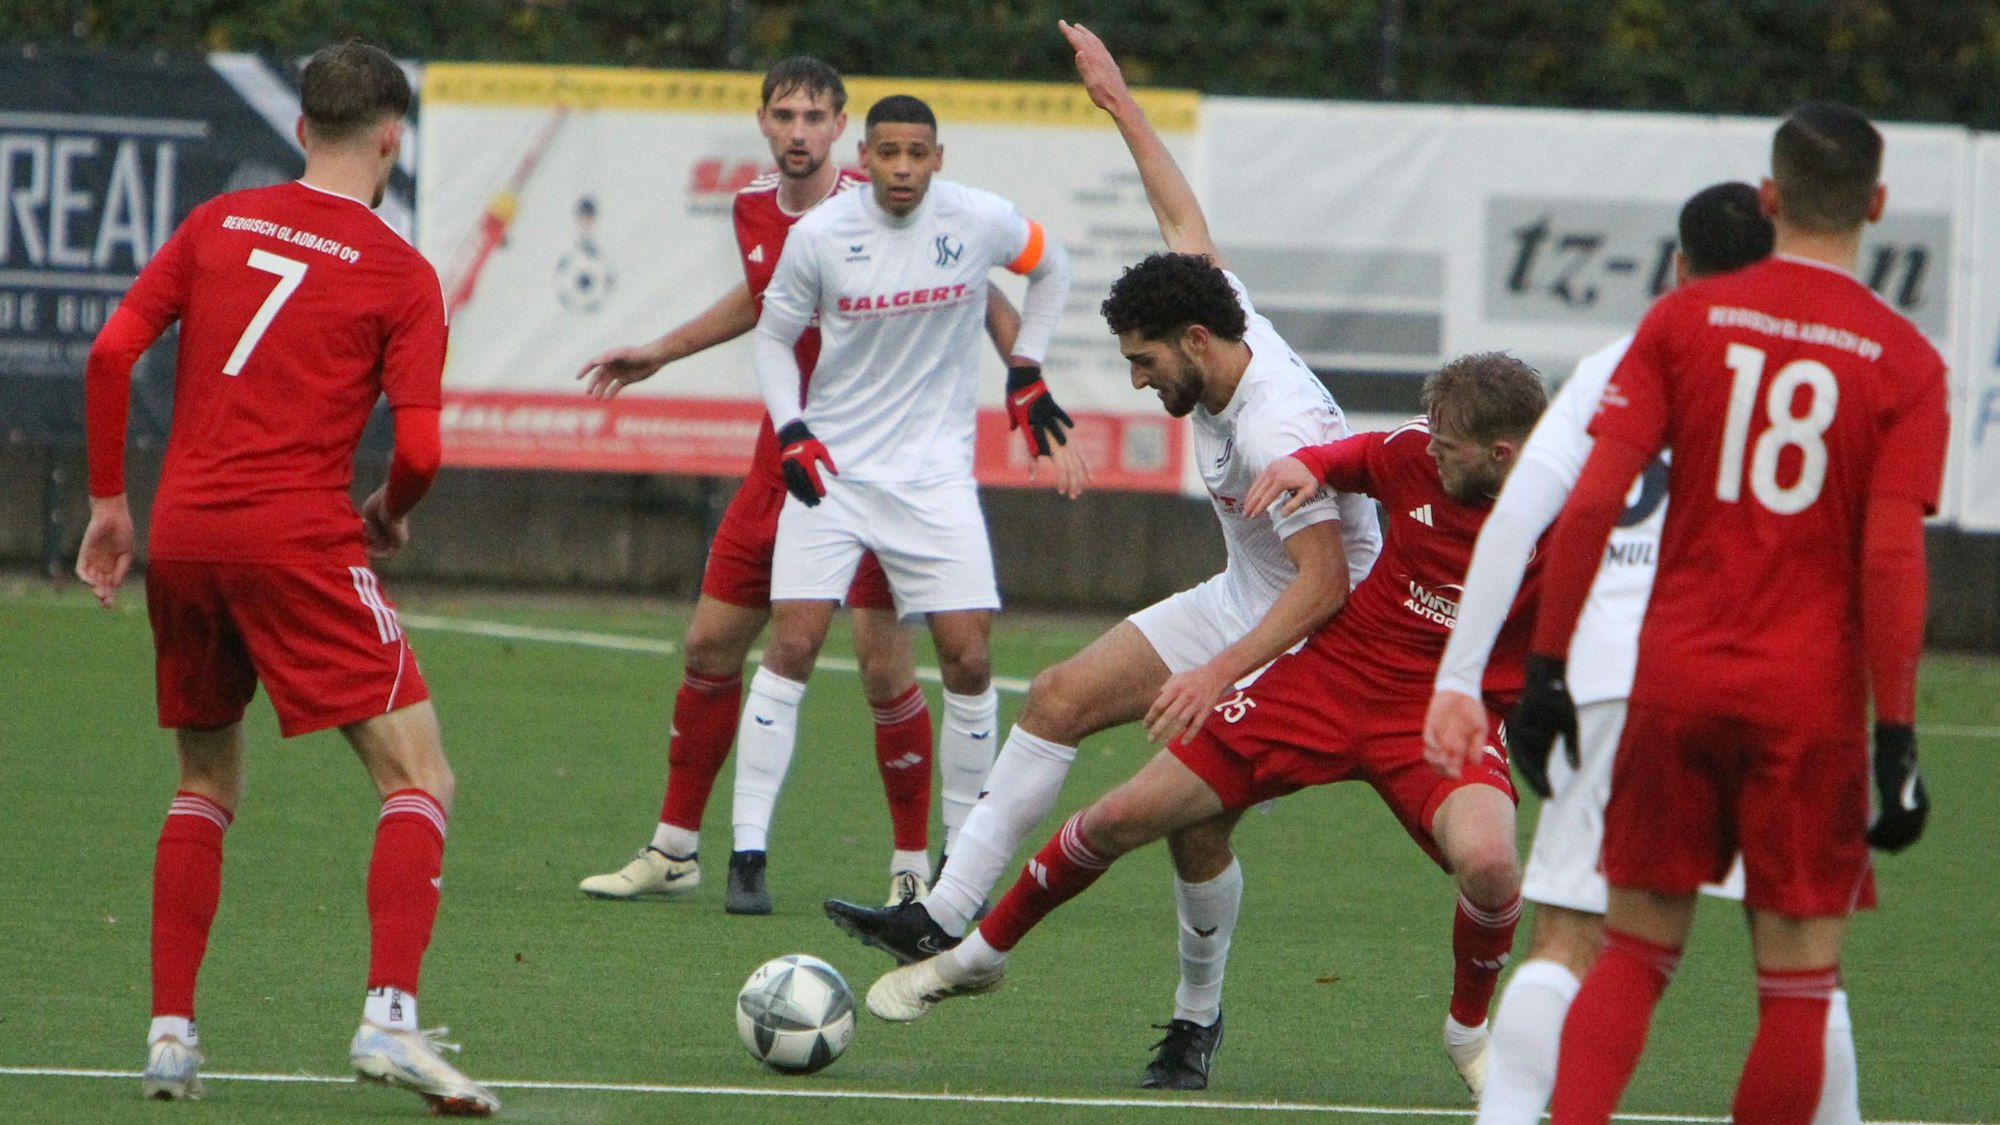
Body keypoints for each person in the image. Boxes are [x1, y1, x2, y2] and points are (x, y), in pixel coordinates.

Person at [822, 20, 1381, 1091]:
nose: (1133, 383)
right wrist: (1118, 100)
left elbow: (1328, 582)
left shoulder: (1276, 429)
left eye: (1139, 363)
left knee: (1191, 830)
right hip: (1243, 598)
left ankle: (1193, 1021)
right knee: (1059, 698)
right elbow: (1180, 217)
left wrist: (1217, 671)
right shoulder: (1221, 314)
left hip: (1306, 637)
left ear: (1195, 347)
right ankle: (938, 917)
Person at [864, 340, 1547, 1101]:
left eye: (1449, 448)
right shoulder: (1415, 452)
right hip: (1330, 679)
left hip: (1446, 711)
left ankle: (1467, 1030)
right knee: (1125, 812)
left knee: (1491, 866)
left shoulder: (1572, 519)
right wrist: (1308, 466)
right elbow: (1354, 456)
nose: (1433, 454)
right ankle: (974, 955)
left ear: (1502, 452)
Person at [1493, 104, 1944, 1125]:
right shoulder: (1903, 361)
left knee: (1632, 950)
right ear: (1874, 205)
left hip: (1674, 679)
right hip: (1806, 700)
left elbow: (1594, 501)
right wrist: (1897, 732)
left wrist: (1547, 669)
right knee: (1794, 984)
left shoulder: (1680, 322)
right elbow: (1888, 558)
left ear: (1771, 198)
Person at [75, 41, 497, 1115]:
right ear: (392, 137)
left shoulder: (217, 224)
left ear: (301, 128)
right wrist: (389, 516)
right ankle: (389, 1021)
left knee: (204, 783)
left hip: (186, 535)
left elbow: (111, 355)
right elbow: (421, 454)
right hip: (299, 543)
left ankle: (171, 1038)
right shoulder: (401, 274)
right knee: (420, 778)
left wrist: (111, 504)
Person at [1425, 183, 1863, 1125]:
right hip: (1770, 684)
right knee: (1800, 965)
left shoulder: (1623, 361)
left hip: (1616, 684)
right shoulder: (1823, 369)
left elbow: (1521, 521)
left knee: (1574, 938)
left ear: (1677, 265)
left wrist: (1462, 679)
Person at [574, 57, 1031, 913]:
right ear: (762, 121)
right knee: (710, 645)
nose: (798, 131)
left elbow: (988, 288)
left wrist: (1025, 375)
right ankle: (675, 847)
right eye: (784, 115)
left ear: (839, 128)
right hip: (779, 464)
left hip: (875, 469)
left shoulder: (885, 197)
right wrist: (660, 351)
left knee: (882, 666)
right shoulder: (754, 206)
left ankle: (910, 864)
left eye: (814, 117)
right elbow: (766, 305)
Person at [729, 90, 1081, 915]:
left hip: (935, 480)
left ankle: (963, 854)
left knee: (970, 658)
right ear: (869, 154)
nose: (901, 168)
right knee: (793, 645)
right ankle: (748, 852)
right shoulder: (822, 234)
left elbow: (1053, 263)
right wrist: (791, 430)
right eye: (886, 152)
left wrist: (1026, 370)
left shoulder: (979, 219)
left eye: (916, 153)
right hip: (836, 473)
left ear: (937, 157)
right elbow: (774, 337)